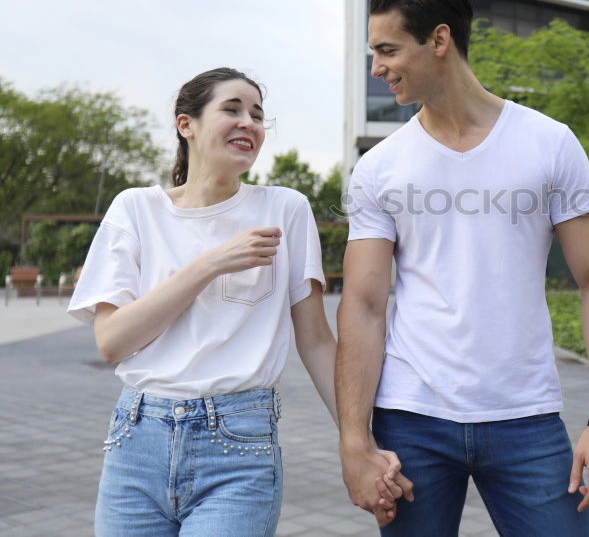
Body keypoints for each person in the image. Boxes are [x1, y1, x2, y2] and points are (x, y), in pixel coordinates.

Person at [336, 0, 589, 535]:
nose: (377, 68)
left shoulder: (549, 143)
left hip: (527, 417)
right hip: (411, 419)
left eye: (388, 50)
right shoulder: (379, 168)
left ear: (439, 41)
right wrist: (354, 441)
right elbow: (364, 305)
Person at [69, 68, 404, 536]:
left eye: (257, 115)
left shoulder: (284, 209)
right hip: (136, 441)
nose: (249, 122)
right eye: (232, 109)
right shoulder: (136, 209)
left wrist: (360, 441)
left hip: (239, 446)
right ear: (187, 124)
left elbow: (315, 341)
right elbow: (111, 341)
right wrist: (211, 264)